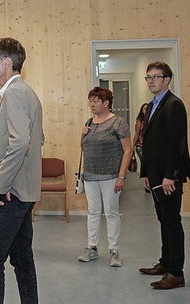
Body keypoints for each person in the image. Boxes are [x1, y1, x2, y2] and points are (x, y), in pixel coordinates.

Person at [0, 37, 41, 304]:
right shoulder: (25, 91)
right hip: (24, 190)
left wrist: (2, 184)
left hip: (13, 192)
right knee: (21, 259)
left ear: (7, 62)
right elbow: (37, 138)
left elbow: (21, 142)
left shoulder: (15, 93)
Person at [138, 61, 189, 290]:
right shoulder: (152, 105)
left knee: (172, 222)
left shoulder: (174, 105)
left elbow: (177, 143)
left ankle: (176, 273)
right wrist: (146, 173)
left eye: (155, 77)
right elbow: (149, 143)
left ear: (167, 80)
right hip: (156, 176)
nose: (151, 81)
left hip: (169, 177)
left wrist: (171, 176)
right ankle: (166, 263)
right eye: (148, 77)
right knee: (163, 220)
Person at [77, 87, 132, 267]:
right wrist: (82, 134)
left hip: (111, 176)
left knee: (111, 213)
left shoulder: (118, 122)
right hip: (90, 176)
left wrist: (121, 177)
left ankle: (114, 251)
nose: (92, 104)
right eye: (90, 100)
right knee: (93, 212)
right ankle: (91, 248)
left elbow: (128, 150)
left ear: (106, 103)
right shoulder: (89, 122)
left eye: (95, 101)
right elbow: (84, 147)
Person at [132, 102, 149, 192]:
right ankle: (146, 184)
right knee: (145, 164)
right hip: (140, 146)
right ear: (142, 110)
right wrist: (133, 147)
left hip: (150, 146)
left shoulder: (152, 118)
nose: (146, 110)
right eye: (144, 108)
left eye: (147, 108)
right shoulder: (139, 121)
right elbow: (137, 134)